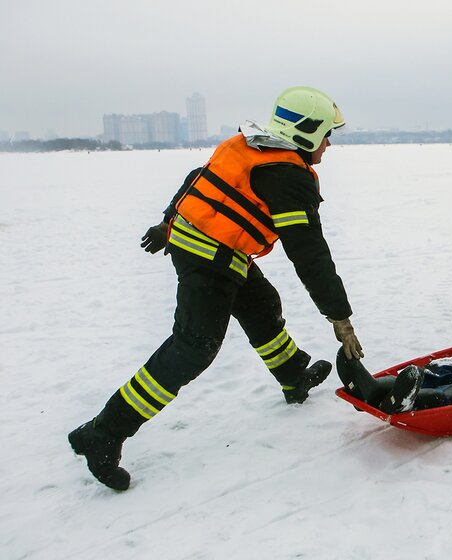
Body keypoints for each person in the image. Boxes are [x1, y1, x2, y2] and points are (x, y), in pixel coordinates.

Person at [69, 86, 364, 491]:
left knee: (261, 304)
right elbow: (309, 253)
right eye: (326, 134)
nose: (329, 143)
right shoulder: (286, 178)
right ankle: (103, 433)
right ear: (306, 132)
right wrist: (339, 316)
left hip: (208, 243)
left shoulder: (249, 145)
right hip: (210, 255)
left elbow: (198, 179)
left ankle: (294, 375)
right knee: (195, 346)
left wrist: (167, 222)